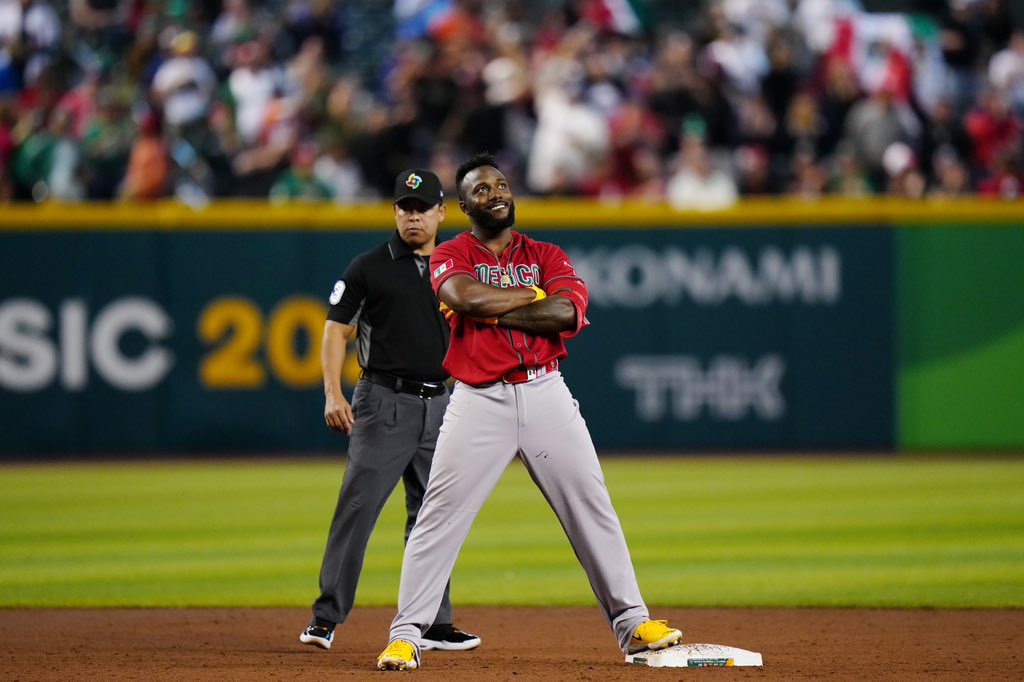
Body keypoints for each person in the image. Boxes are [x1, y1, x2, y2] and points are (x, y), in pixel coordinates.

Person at [375, 152, 682, 671]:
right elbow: (463, 297)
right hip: (478, 400)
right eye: (480, 189)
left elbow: (567, 311)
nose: (494, 193)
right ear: (464, 205)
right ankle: (406, 634)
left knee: (591, 505)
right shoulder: (452, 252)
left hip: (546, 393)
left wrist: (503, 306)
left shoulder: (545, 252)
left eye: (499, 184)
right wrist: (530, 298)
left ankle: (632, 624)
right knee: (438, 517)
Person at [300, 168, 480, 653]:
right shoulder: (369, 266)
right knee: (359, 508)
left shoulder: (458, 265)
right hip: (384, 401)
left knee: (434, 515)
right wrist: (332, 394)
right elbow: (336, 329)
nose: (413, 216)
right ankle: (326, 617)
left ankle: (435, 622)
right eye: (405, 207)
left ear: (443, 212)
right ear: (395, 211)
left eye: (422, 208)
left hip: (442, 403)